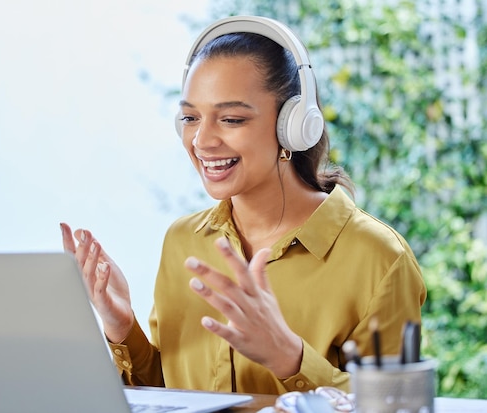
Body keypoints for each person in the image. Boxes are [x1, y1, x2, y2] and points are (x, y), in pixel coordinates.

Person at [60, 15, 426, 395]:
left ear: (293, 124)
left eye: (231, 118)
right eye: (190, 117)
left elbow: (399, 404)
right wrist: (121, 327)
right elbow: (169, 394)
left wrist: (291, 359)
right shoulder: (183, 241)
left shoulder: (378, 258)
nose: (202, 141)